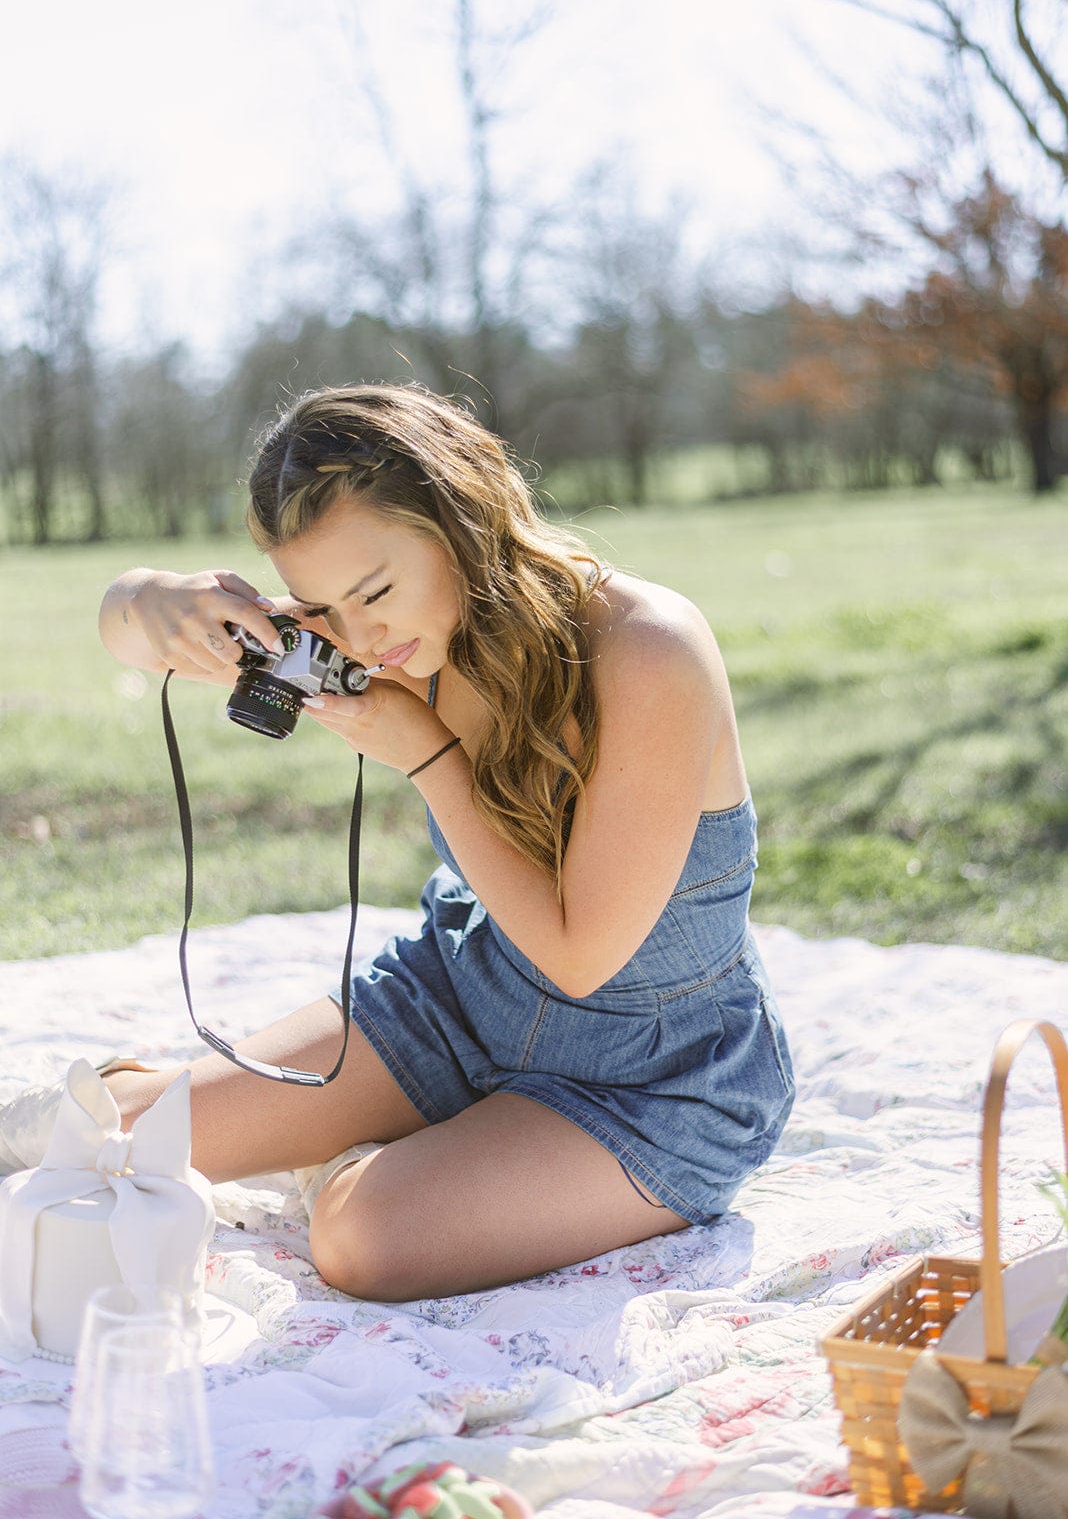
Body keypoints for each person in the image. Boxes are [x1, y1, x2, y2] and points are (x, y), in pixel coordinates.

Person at [87, 382, 793, 1302]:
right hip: (459, 1000)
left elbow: (581, 956)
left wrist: (430, 759)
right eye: (324, 608)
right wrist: (152, 600)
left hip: (653, 1082)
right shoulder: (395, 639)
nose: (361, 638)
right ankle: (420, 1134)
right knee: (119, 1129)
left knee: (360, 1237)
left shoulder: (648, 649)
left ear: (460, 515)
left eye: (375, 592)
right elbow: (123, 628)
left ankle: (419, 1153)